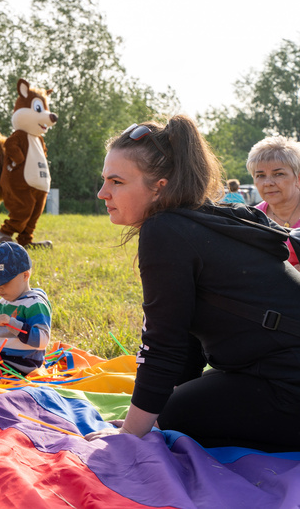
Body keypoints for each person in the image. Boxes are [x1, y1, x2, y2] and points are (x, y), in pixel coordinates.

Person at [86, 117, 300, 452]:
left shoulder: (166, 230)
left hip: (287, 383)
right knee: (173, 408)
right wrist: (155, 414)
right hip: (272, 372)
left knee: (174, 412)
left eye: (116, 181)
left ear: (159, 186)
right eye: (105, 180)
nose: (103, 193)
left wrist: (131, 433)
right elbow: (185, 338)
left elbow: (162, 344)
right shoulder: (200, 219)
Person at [0, 242, 51, 375]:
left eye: (4, 283)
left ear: (25, 275)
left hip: (22, 364)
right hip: (1, 357)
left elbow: (43, 340)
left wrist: (11, 324)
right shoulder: (6, 301)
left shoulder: (35, 304)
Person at [247, 136, 300, 271]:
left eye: (278, 174)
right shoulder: (250, 219)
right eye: (260, 175)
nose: (268, 183)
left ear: (298, 178)